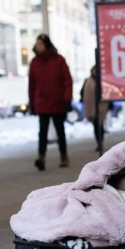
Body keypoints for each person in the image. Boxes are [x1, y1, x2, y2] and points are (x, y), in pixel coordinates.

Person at [28, 33, 72, 170]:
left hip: (58, 102)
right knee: (42, 132)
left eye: (40, 44)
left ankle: (64, 156)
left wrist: (67, 99)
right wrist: (32, 104)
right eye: (37, 44)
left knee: (60, 131)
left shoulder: (59, 60)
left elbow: (67, 80)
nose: (38, 46)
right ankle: (41, 157)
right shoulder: (34, 62)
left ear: (47, 45)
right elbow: (31, 85)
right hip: (42, 103)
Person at [80, 65, 105, 154]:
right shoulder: (88, 81)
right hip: (91, 106)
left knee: (100, 126)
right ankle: (99, 142)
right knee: (96, 125)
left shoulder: (102, 81)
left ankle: (100, 141)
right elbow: (82, 92)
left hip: (100, 106)